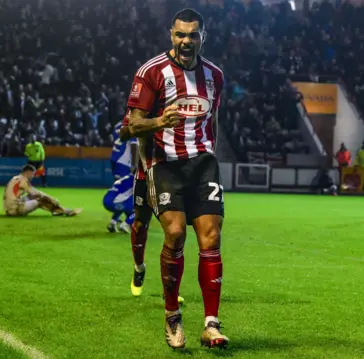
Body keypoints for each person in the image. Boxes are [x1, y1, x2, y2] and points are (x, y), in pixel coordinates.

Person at [126, 8, 227, 349]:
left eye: (193, 35)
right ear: (171, 34)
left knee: (211, 238)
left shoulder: (215, 75)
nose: (186, 41)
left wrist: (212, 151)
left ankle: (211, 324)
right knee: (174, 232)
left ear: (203, 37)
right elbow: (131, 125)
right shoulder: (151, 72)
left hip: (202, 163)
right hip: (164, 162)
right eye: (180, 34)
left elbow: (214, 118)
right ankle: (172, 314)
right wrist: (159, 123)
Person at [119, 120, 186, 304]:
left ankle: (170, 290)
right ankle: (139, 267)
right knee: (141, 225)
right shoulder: (144, 99)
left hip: (171, 174)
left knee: (173, 231)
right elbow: (125, 131)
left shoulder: (179, 98)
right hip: (145, 173)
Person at [3, 164, 81, 217]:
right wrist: (51, 199)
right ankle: (62, 211)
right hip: (15, 210)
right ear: (27, 173)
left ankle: (59, 210)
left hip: (8, 209)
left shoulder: (16, 178)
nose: (33, 176)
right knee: (40, 199)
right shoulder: (23, 179)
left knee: (33, 197)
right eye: (32, 174)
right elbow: (35, 193)